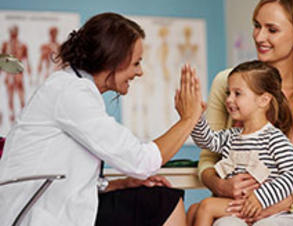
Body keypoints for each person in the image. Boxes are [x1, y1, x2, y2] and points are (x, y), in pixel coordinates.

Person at [0, 12, 203, 226]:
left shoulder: (71, 87)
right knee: (163, 202)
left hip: (50, 206)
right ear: (112, 60)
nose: (140, 72)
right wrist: (189, 119)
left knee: (153, 196)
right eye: (136, 63)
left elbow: (67, 176)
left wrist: (121, 184)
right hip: (35, 215)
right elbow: (142, 161)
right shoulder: (71, 93)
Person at [197, 1, 293, 226]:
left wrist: (277, 204)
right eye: (256, 26)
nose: (259, 37)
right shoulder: (227, 83)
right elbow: (207, 160)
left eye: (272, 29)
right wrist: (220, 185)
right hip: (235, 209)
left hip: (290, 211)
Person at [187, 61, 293, 226]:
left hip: (277, 214)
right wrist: (195, 116)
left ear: (263, 100)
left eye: (237, 93)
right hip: (240, 209)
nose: (229, 99)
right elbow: (206, 140)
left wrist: (260, 198)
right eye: (228, 93)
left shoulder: (274, 138)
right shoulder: (231, 136)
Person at [1, 25, 32, 123]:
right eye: (12, 33)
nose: (13, 35)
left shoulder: (22, 45)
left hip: (18, 73)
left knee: (20, 93)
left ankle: (23, 115)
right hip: (9, 73)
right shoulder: (6, 44)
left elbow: (26, 59)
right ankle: (12, 115)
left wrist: (30, 73)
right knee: (10, 94)